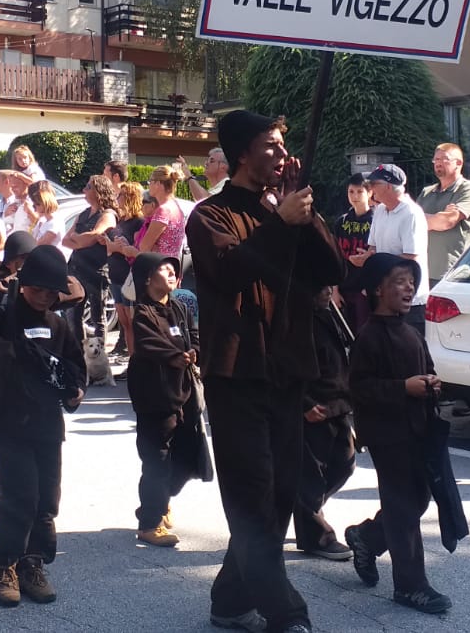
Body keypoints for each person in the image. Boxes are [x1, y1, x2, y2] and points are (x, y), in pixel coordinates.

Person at [186, 109, 344, 633]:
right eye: (270, 146)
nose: (282, 154)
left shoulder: (287, 210)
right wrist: (282, 223)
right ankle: (286, 612)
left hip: (287, 371)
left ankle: (230, 600)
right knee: (252, 494)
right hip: (237, 375)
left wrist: (308, 215)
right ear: (241, 155)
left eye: (283, 145)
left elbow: (332, 271)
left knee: (279, 493)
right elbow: (230, 271)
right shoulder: (209, 216)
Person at [0, 244, 85, 607]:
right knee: (21, 496)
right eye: (38, 289)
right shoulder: (5, 316)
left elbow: (76, 364)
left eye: (51, 291)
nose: (44, 296)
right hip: (10, 421)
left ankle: (33, 562)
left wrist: (75, 390)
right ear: (25, 284)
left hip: (48, 423)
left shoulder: (58, 325)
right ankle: (3, 562)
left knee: (47, 499)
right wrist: (12, 352)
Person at [343, 253, 453, 615]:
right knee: (403, 507)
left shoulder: (411, 333)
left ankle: (367, 537)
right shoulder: (369, 336)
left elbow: (428, 368)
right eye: (399, 282)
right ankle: (410, 586)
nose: (409, 288)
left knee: (417, 500)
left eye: (411, 282)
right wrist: (403, 388)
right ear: (378, 289)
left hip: (417, 430)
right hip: (386, 435)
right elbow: (359, 387)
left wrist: (432, 383)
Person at [127, 252, 198, 548]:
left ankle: (158, 501)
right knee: (157, 458)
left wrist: (194, 352)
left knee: (185, 456)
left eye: (173, 269)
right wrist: (174, 356)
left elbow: (193, 335)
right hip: (153, 393)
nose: (171, 272)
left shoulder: (179, 307)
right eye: (164, 268)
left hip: (182, 390)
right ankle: (149, 524)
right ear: (147, 278)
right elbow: (148, 343)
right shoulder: (143, 312)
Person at [293, 285, 355, 561]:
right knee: (311, 475)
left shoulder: (330, 314)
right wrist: (304, 404)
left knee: (344, 464)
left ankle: (305, 509)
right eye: (320, 286)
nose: (327, 291)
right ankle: (317, 535)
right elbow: (287, 366)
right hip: (313, 407)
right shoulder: (295, 320)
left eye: (329, 285)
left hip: (338, 404)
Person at [350, 164, 429, 330]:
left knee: (406, 345)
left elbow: (411, 260)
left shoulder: (411, 214)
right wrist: (365, 258)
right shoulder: (379, 210)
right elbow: (373, 248)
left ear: (387, 186)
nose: (370, 188)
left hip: (408, 302)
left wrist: (375, 262)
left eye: (373, 184)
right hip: (384, 300)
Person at [63, 175, 116, 346]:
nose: (84, 190)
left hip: (95, 271)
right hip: (76, 268)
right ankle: (79, 351)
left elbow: (94, 236)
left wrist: (78, 238)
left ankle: (99, 354)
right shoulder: (83, 214)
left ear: (99, 191)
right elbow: (65, 239)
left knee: (97, 316)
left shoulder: (108, 214)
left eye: (88, 187)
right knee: (73, 314)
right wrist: (81, 240)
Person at [417, 144, 470, 283]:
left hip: (453, 274)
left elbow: (446, 222)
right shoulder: (426, 192)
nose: (438, 163)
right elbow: (411, 222)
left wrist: (426, 219)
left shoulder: (467, 189)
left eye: (444, 159)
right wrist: (437, 217)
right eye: (436, 159)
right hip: (423, 272)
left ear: (458, 163)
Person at [107, 182, 147, 355]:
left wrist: (116, 247)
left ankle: (135, 356)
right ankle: (131, 357)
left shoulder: (139, 222)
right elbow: (111, 247)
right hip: (115, 274)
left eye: (121, 195)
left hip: (127, 275)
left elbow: (133, 249)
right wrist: (111, 245)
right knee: (124, 322)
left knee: (131, 321)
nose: (117, 198)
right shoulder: (121, 220)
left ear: (130, 197)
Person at [333, 173, 374, 331]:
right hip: (344, 288)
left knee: (364, 334)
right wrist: (334, 290)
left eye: (360, 191)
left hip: (364, 290)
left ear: (369, 193)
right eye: (351, 191)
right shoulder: (341, 222)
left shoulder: (376, 221)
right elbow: (335, 257)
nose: (355, 196)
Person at [28, 180, 64, 253]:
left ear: (44, 203)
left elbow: (41, 244)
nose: (35, 209)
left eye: (36, 205)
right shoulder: (42, 221)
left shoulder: (55, 222)